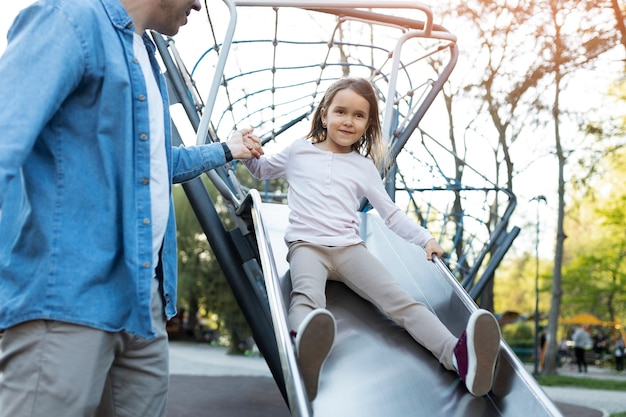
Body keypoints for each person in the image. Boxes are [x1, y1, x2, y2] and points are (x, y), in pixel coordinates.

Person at [0, 1, 262, 416]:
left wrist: (228, 149)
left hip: (144, 298)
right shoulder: (70, 20)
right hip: (69, 294)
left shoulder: (148, 55)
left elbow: (157, 164)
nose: (198, 3)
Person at [242, 77, 501, 400]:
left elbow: (390, 214)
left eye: (359, 115)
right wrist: (244, 149)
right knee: (306, 298)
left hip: (350, 250)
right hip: (307, 246)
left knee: (402, 301)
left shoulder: (363, 167)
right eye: (341, 112)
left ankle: (459, 358)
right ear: (324, 115)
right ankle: (303, 353)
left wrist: (425, 239)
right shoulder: (298, 151)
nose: (348, 121)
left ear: (368, 124)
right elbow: (261, 169)